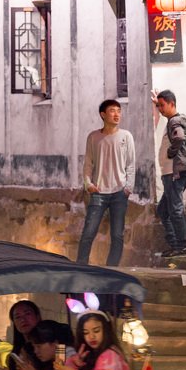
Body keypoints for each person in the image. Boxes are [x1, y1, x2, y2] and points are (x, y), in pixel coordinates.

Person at [76, 99, 136, 266]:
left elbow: (131, 163)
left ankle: (112, 269)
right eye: (112, 111)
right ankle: (81, 266)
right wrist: (88, 184)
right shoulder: (94, 137)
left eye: (119, 111)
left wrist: (128, 187)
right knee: (89, 232)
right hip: (98, 192)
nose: (117, 114)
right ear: (103, 114)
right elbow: (88, 163)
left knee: (117, 235)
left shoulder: (126, 136)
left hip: (119, 192)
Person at [152, 89, 186, 258]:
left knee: (174, 210)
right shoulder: (173, 120)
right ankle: (175, 244)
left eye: (162, 105)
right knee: (163, 211)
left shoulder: (174, 121)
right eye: (158, 105)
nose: (160, 109)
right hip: (171, 173)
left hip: (174, 173)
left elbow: (179, 137)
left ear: (172, 104)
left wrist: (171, 151)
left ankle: (181, 246)